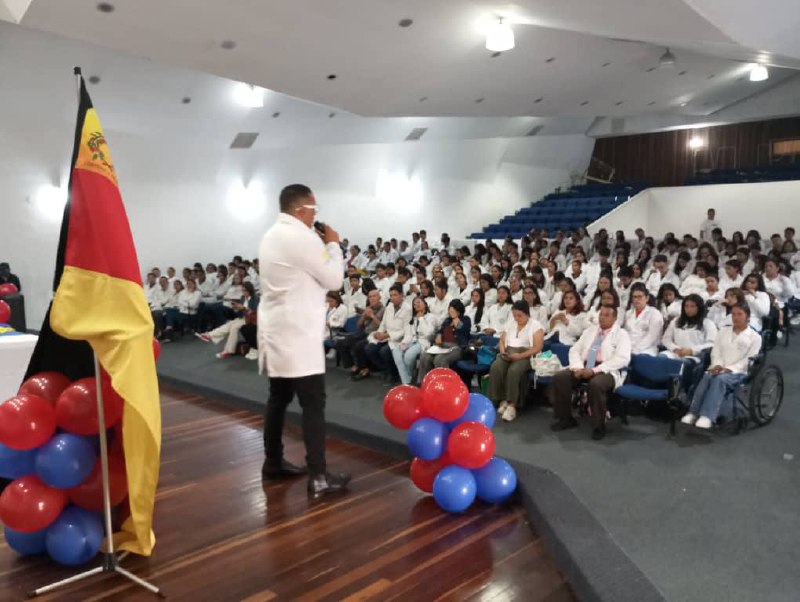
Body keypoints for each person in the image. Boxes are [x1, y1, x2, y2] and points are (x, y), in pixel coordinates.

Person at [257, 184, 350, 497]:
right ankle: (319, 477)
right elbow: (335, 279)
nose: (315, 214)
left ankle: (272, 462)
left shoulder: (271, 234)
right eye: (314, 209)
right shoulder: (303, 237)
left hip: (277, 331)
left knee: (278, 399)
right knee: (313, 405)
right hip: (298, 336)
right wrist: (334, 244)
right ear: (300, 210)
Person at [550, 306, 632, 440]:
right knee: (561, 377)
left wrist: (594, 370)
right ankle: (565, 419)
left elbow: (622, 358)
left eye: (606, 315)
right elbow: (575, 350)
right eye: (601, 314)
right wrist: (577, 367)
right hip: (583, 365)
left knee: (596, 384)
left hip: (606, 369)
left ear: (615, 318)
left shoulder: (621, 334)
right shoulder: (590, 331)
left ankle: (599, 426)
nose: (602, 317)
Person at [681, 304, 761, 429]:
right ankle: (693, 412)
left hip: (738, 371)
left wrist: (729, 369)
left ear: (748, 317)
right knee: (707, 377)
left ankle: (707, 416)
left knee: (719, 380)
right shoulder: (723, 331)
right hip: (719, 366)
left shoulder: (755, 337)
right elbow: (716, 351)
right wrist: (717, 365)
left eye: (740, 314)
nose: (736, 317)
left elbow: (749, 359)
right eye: (733, 314)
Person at [488, 301, 544, 422]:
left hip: (526, 354)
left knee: (514, 370)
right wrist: (503, 351)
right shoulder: (511, 323)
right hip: (509, 351)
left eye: (520, 316)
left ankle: (512, 404)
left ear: (527, 314)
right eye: (515, 316)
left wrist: (518, 356)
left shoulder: (536, 325)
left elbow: (537, 347)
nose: (516, 318)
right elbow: (502, 340)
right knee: (496, 367)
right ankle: (501, 399)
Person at [660, 294, 718, 393]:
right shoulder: (676, 321)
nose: (689, 309)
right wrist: (675, 349)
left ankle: (678, 394)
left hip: (694, 357)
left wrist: (692, 351)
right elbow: (666, 339)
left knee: (682, 365)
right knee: (659, 359)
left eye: (692, 306)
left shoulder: (707, 323)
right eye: (686, 306)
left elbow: (711, 344)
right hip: (675, 352)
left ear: (699, 307)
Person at [362, 284, 411, 383]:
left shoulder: (407, 308)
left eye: (395, 295)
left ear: (401, 295)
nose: (392, 298)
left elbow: (406, 329)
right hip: (386, 335)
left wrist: (388, 335)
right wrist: (379, 333)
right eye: (391, 295)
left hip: (400, 339)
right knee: (369, 349)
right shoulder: (389, 306)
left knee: (384, 351)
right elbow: (383, 323)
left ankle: (394, 374)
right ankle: (385, 369)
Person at [197, 282, 259, 359]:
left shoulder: (255, 298)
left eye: (245, 290)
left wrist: (243, 308)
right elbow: (240, 314)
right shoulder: (243, 298)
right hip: (243, 318)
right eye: (242, 290)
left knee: (234, 327)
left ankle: (223, 347)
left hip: (251, 319)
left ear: (250, 290)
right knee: (229, 325)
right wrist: (236, 309)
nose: (244, 292)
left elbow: (254, 312)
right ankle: (210, 336)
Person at [416, 300, 471, 383]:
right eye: (450, 310)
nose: (450, 313)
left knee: (440, 359)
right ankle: (424, 383)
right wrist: (439, 335)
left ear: (459, 311)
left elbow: (463, 330)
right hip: (442, 346)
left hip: (456, 347)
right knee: (425, 356)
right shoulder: (447, 320)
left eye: (453, 311)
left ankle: (444, 384)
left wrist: (456, 320)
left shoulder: (465, 319)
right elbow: (440, 330)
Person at [392, 296, 437, 385]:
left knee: (408, 356)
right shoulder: (412, 318)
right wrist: (404, 343)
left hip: (423, 342)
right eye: (414, 304)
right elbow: (408, 334)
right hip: (411, 341)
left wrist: (421, 318)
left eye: (419, 302)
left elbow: (428, 333)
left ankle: (407, 380)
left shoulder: (431, 317)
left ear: (425, 304)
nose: (416, 304)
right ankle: (407, 380)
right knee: (396, 351)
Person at [623, 283, 664, 355]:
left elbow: (651, 337)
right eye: (634, 297)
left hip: (647, 349)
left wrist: (634, 350)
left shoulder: (655, 313)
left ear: (647, 298)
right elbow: (625, 333)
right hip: (627, 347)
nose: (636, 299)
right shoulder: (628, 313)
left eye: (640, 296)